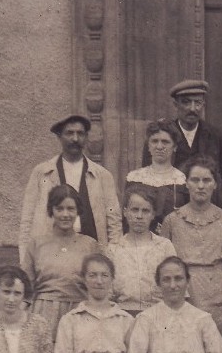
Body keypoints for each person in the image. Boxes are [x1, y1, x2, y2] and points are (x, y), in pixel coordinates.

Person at [19, 114, 121, 264]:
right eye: (69, 133)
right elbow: (27, 220)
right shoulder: (42, 172)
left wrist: (113, 259)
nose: (75, 138)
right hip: (51, 253)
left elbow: (114, 221)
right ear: (59, 137)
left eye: (80, 134)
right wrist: (25, 260)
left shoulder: (102, 176)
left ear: (86, 138)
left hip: (91, 253)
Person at [159, 156, 222, 318]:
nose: (201, 186)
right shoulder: (172, 221)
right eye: (195, 180)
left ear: (215, 184)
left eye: (207, 180)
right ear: (186, 183)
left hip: (217, 294)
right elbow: (164, 265)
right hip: (183, 293)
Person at [22, 184, 101, 339]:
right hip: (43, 312)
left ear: (78, 211)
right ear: (51, 210)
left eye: (71, 209)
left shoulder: (90, 245)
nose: (65, 214)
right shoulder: (37, 244)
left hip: (80, 312)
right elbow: (26, 287)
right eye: (59, 208)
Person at [106, 186, 178, 315]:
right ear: (125, 212)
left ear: (153, 214)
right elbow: (107, 293)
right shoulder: (113, 249)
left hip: (157, 314)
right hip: (122, 315)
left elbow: (174, 288)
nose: (139, 216)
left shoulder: (164, 247)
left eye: (145, 211)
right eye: (135, 210)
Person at [142, 79, 222, 179]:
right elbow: (148, 174)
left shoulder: (217, 137)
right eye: (186, 102)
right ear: (176, 105)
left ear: (203, 105)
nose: (192, 109)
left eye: (198, 103)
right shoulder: (161, 137)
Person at [125, 120, 188, 232]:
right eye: (154, 141)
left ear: (175, 147)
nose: (159, 146)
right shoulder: (135, 178)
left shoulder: (182, 179)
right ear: (148, 146)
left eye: (165, 142)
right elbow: (126, 217)